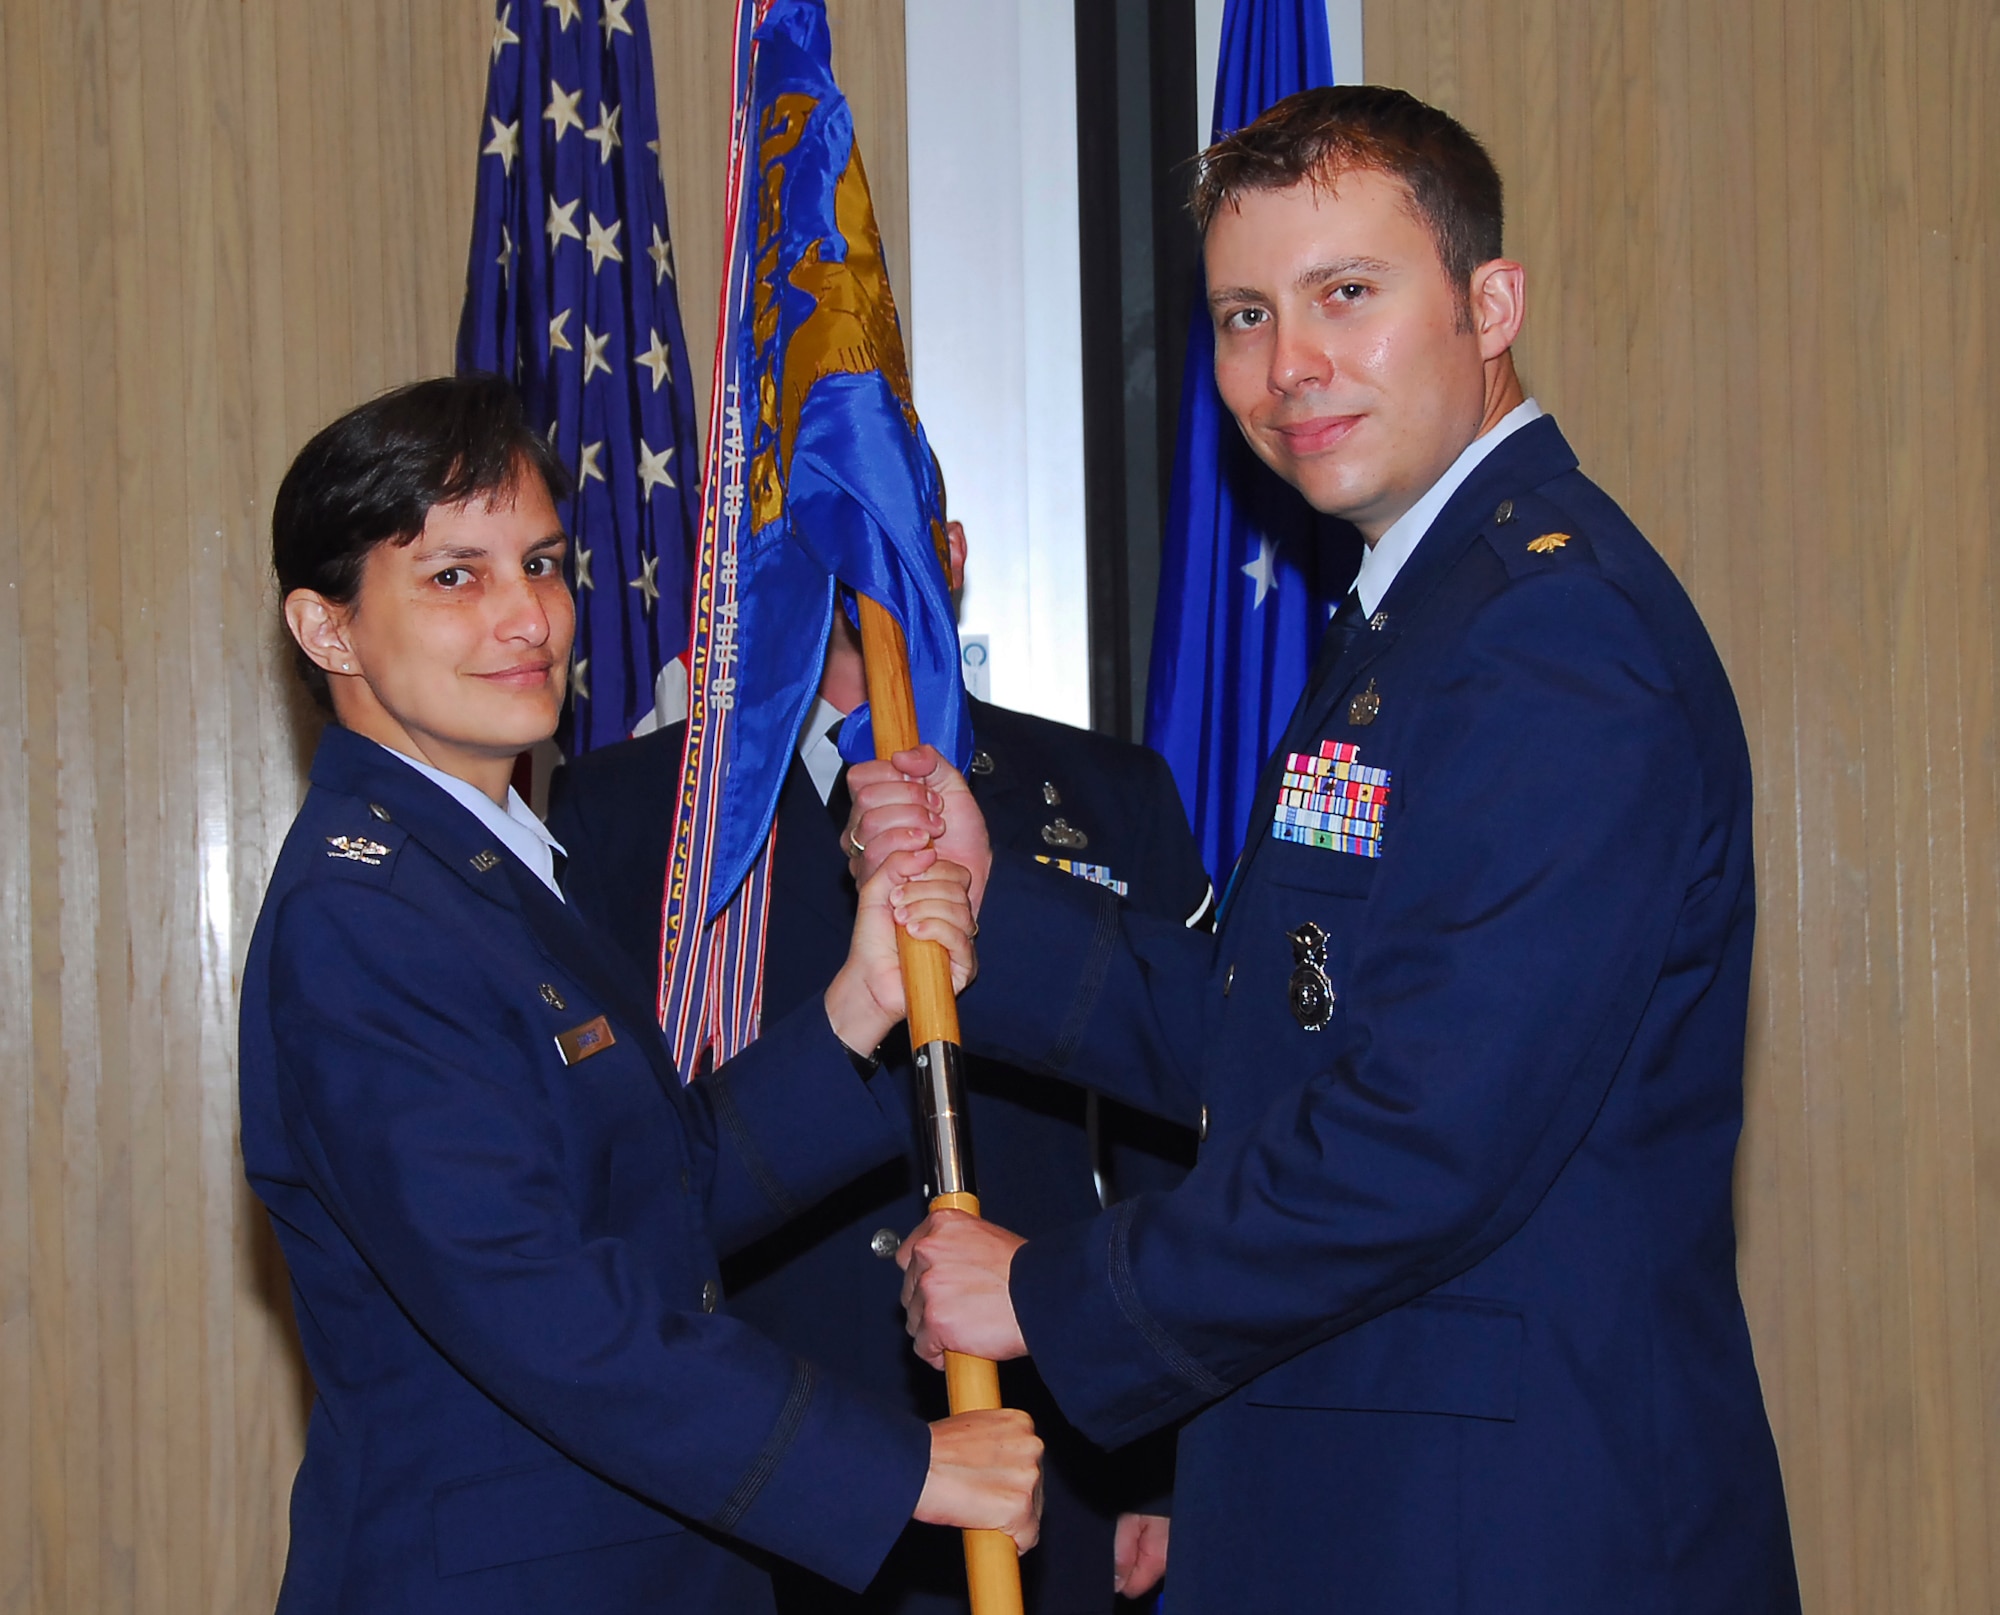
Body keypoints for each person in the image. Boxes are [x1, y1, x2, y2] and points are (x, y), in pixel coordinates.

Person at [856, 87, 1803, 1612]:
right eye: (1243, 313)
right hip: (1384, 1494)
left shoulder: (1550, 637)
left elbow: (1423, 1133)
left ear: (1489, 303)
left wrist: (1050, 1290)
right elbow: (1284, 1022)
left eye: (1344, 296)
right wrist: (985, 913)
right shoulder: (1423, 610)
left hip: (1505, 1528)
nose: (1286, 367)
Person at [237, 374, 1041, 1615]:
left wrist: (856, 1004)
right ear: (328, 627)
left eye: (544, 564)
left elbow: (644, 1200)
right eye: (454, 576)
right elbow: (540, 1303)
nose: (527, 619)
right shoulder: (367, 916)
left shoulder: (485, 861)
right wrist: (902, 1466)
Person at [551, 504, 1211, 1614]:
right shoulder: (629, 809)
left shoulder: (1105, 790)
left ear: (949, 551)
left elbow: (1164, 1136)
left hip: (1042, 1428)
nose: (854, 559)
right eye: (815, 526)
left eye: (888, 517)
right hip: (759, 1441)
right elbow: (611, 1148)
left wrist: (1160, 1461)